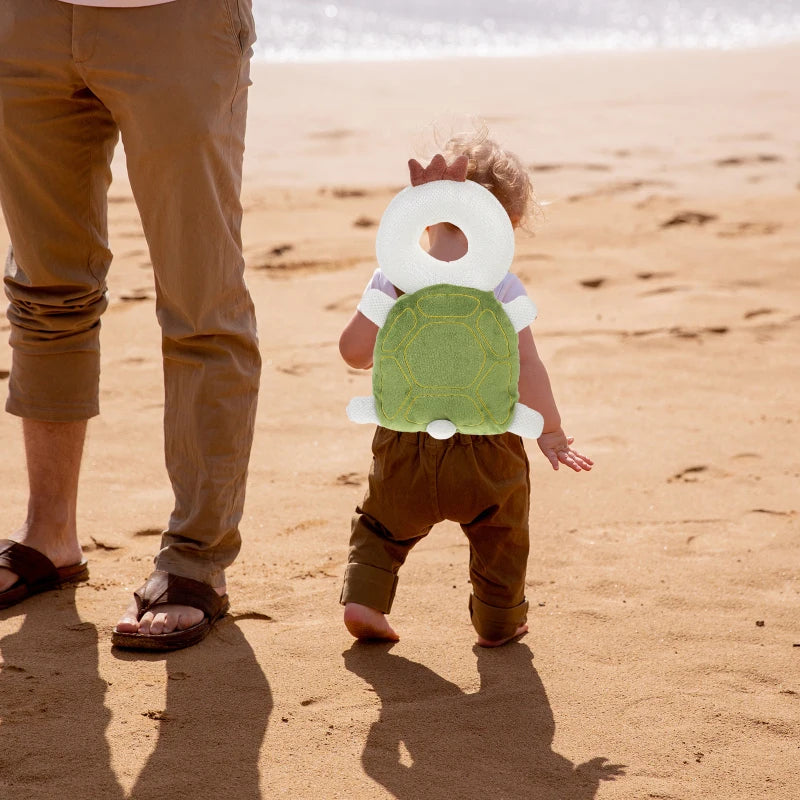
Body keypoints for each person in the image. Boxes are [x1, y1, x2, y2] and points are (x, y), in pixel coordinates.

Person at [0, 0, 261, 651]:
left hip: (177, 20)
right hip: (27, 19)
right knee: (45, 289)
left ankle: (196, 561)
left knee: (202, 303)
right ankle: (48, 537)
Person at [338, 140, 593, 647]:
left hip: (403, 446)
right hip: (488, 451)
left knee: (381, 527)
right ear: (509, 222)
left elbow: (353, 351)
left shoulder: (393, 276)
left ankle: (365, 599)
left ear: (424, 214)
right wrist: (553, 432)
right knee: (502, 535)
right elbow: (527, 367)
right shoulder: (502, 286)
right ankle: (499, 620)